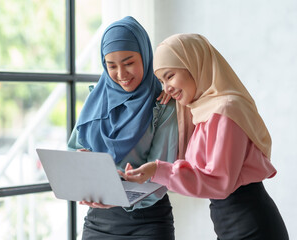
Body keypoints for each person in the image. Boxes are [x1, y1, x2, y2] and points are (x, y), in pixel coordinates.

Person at [121, 33, 289, 240]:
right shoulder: (203, 110)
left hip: (249, 225)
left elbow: (219, 181)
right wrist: (170, 90)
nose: (167, 87)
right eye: (161, 81)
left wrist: (157, 170)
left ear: (194, 65)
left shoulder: (225, 110)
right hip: (230, 222)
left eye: (170, 75)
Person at [67, 16, 178, 240]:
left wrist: (115, 194)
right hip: (98, 222)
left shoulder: (164, 103)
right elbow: (72, 151)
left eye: (128, 63)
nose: (121, 74)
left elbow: (161, 171)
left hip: (148, 222)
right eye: (111, 66)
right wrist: (82, 167)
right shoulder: (95, 101)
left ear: (146, 57)